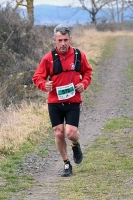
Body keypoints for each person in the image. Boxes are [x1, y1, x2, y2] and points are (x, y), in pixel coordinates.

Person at [32, 25, 92, 177]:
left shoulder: (79, 55)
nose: (63, 43)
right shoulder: (48, 58)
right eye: (60, 40)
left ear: (70, 39)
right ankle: (66, 164)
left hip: (73, 101)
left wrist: (83, 84)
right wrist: (44, 85)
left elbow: (87, 72)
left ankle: (75, 145)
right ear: (54, 41)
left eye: (66, 40)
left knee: (71, 133)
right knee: (59, 133)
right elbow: (37, 77)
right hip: (55, 102)